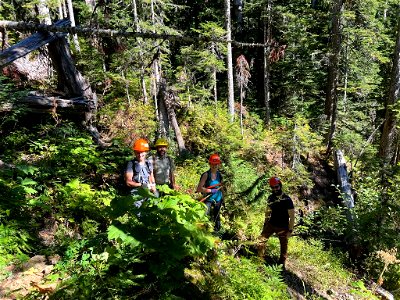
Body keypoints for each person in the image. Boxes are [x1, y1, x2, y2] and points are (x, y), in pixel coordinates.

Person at [258, 177, 295, 267]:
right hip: (271, 224)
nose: (275, 189)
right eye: (272, 187)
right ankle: (259, 259)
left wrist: (290, 231)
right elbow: (268, 211)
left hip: (283, 226)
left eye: (276, 187)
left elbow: (292, 216)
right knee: (261, 241)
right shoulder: (271, 198)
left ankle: (282, 264)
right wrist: (265, 223)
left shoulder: (287, 200)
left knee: (283, 246)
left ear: (280, 186)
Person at [125, 138, 157, 207]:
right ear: (134, 152)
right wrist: (141, 185)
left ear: (146, 152)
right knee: (137, 214)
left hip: (148, 193)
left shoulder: (148, 164)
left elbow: (151, 177)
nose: (140, 155)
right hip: (136, 194)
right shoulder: (131, 164)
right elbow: (128, 182)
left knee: (150, 213)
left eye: (142, 152)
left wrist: (153, 187)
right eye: (138, 152)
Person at [196, 154, 223, 231]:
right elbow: (199, 188)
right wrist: (210, 190)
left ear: (219, 164)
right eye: (213, 164)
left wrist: (223, 198)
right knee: (205, 215)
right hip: (208, 198)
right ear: (210, 164)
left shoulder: (219, 175)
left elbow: (221, 187)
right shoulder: (206, 175)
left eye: (216, 164)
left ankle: (217, 232)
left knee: (217, 216)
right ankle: (203, 231)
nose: (214, 166)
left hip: (218, 198)